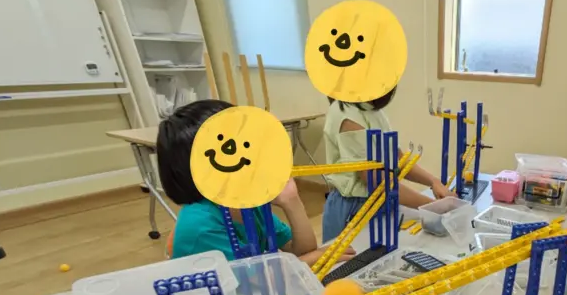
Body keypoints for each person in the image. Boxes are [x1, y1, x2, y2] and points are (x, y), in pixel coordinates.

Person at [158, 100, 352, 266]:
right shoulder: (200, 225)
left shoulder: (245, 201)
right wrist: (314, 258)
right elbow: (254, 281)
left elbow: (301, 250)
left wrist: (291, 200)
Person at [322, 88, 455, 242]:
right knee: (356, 256)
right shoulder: (346, 114)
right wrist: (432, 206)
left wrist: (434, 182)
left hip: (381, 201)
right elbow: (377, 181)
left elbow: (398, 159)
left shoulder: (371, 109)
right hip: (354, 208)